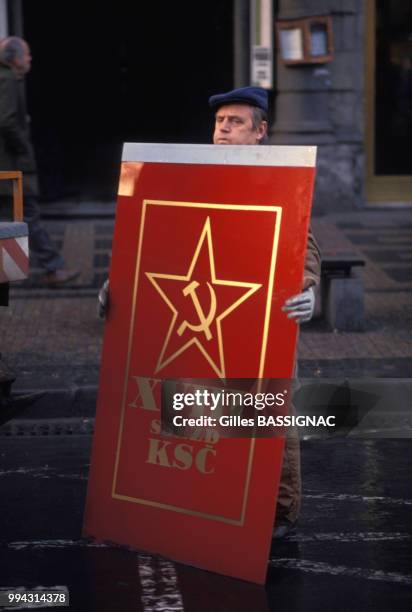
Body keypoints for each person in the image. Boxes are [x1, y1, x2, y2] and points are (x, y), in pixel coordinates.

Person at [209, 86, 321, 539]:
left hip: (266, 312)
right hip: (211, 313)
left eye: (235, 122)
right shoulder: (188, 174)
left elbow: (305, 243)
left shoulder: (280, 179)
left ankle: (280, 510)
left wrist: (309, 288)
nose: (223, 130)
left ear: (260, 132)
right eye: (219, 122)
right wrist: (117, 285)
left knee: (269, 407)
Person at [0, 37, 79, 286]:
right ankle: (53, 268)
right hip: (11, 164)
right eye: (27, 54)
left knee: (14, 217)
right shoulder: (9, 80)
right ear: (14, 59)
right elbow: (7, 121)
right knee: (29, 215)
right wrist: (24, 148)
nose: (30, 59)